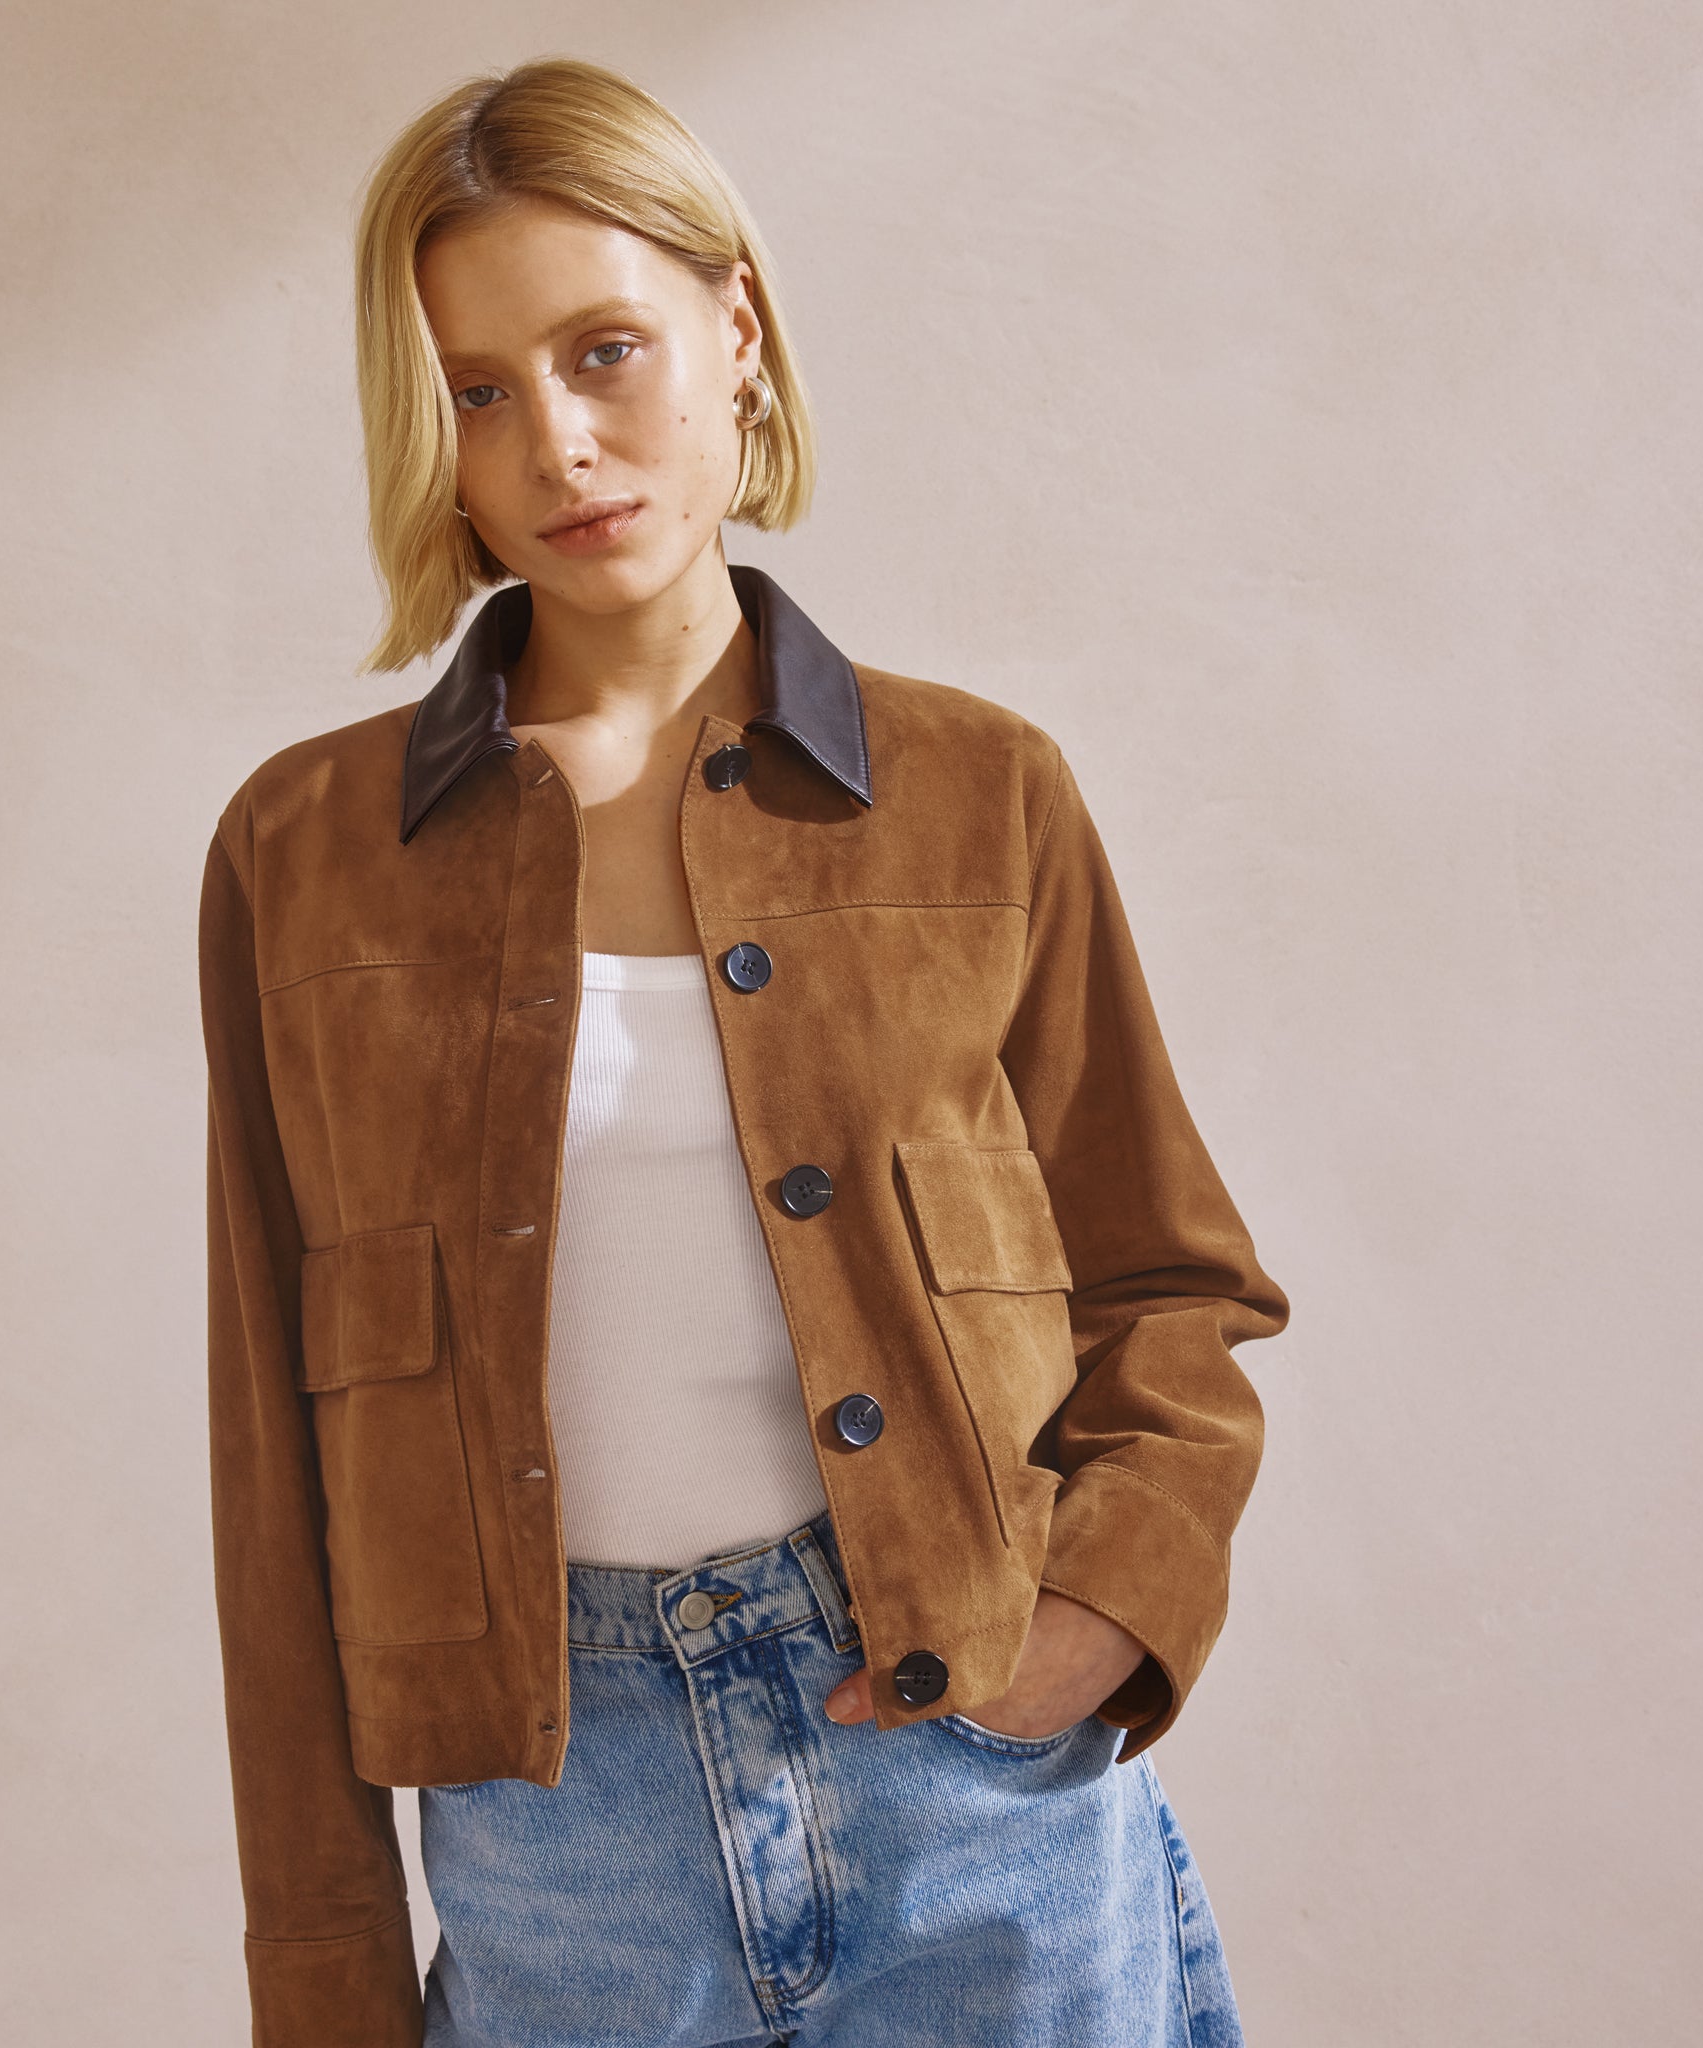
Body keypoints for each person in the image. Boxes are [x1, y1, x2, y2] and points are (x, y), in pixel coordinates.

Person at [198, 54, 1289, 2048]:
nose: (557, 438)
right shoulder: (309, 857)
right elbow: (274, 1478)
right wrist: (326, 1980)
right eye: (476, 391)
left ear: (740, 333)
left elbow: (1172, 1285)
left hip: (974, 1797)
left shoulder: (980, 796)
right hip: (561, 1845)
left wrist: (1096, 1621)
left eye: (604, 349)